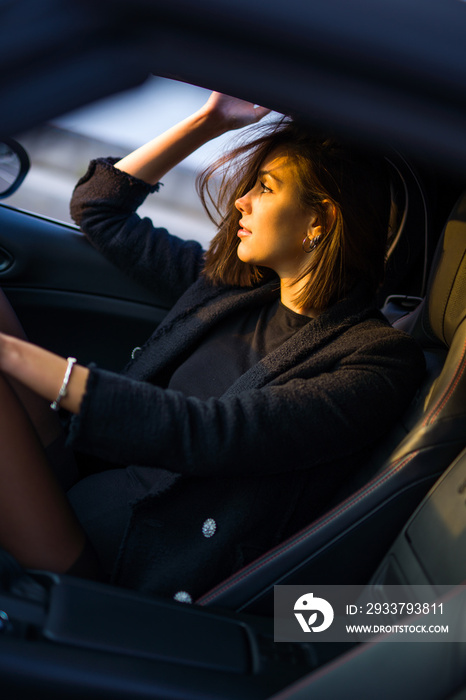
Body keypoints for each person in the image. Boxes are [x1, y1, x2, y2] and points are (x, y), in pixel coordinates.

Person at [0, 92, 425, 601]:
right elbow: (99, 207)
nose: (241, 200)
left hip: (124, 553)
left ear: (320, 221)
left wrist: (13, 356)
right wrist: (209, 121)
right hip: (85, 481)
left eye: (265, 188)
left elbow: (210, 433)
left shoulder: (376, 360)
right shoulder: (233, 287)